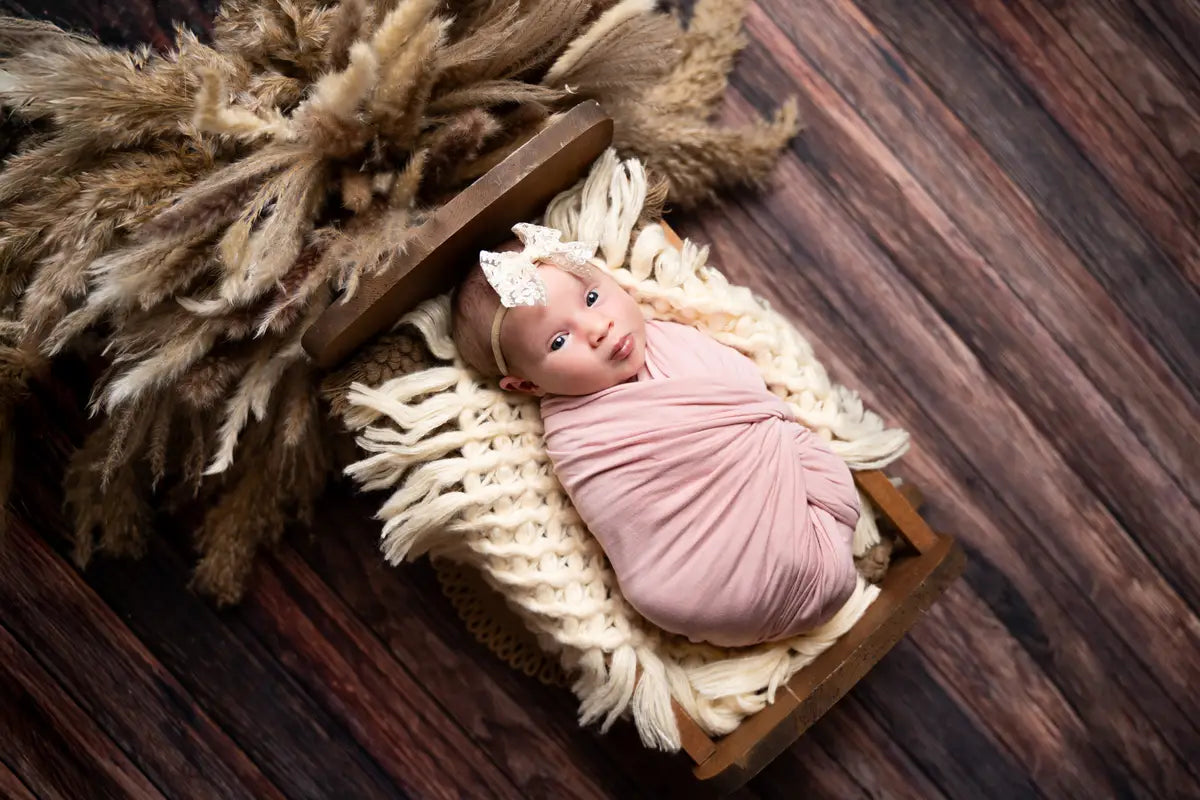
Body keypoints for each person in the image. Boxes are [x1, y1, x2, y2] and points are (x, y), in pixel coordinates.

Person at [450, 223, 860, 647]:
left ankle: (807, 558)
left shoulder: (673, 340)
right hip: (697, 588)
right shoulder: (578, 439)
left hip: (780, 498)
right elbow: (630, 511)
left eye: (592, 298)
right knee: (665, 588)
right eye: (558, 340)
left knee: (798, 451)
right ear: (528, 385)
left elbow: (755, 406)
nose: (597, 328)